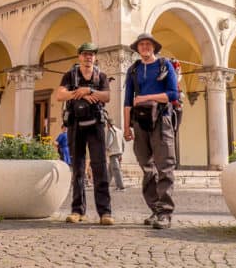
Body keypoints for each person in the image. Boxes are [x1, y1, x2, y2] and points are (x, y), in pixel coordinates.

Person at [124, 33, 178, 229]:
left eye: (148, 44)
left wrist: (148, 97)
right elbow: (127, 101)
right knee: (146, 167)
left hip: (161, 120)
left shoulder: (165, 66)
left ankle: (165, 213)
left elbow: (173, 94)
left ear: (154, 47)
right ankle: (155, 208)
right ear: (137, 48)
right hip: (140, 122)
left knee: (165, 166)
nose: (145, 47)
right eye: (141, 44)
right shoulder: (133, 70)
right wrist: (126, 128)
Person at [55, 42, 113, 226]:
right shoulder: (70, 75)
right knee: (78, 168)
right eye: (85, 54)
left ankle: (105, 212)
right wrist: (78, 93)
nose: (89, 57)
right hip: (75, 124)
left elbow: (106, 97)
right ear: (79, 56)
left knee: (100, 167)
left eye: (92, 55)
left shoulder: (100, 76)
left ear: (94, 58)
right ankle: (77, 210)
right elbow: (60, 95)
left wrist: (90, 90)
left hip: (96, 125)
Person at [106, 118, 125, 191]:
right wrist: (121, 153)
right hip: (119, 152)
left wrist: (106, 149)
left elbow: (109, 143)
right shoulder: (119, 131)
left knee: (116, 170)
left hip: (113, 153)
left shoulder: (111, 131)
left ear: (108, 124)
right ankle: (106, 185)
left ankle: (121, 186)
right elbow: (123, 144)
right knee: (110, 171)